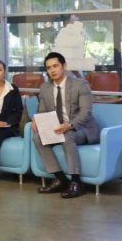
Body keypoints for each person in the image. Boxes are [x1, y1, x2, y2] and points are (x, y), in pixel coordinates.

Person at [32, 52, 100, 199]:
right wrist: (36, 119)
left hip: (82, 129)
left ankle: (76, 182)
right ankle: (60, 179)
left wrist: (69, 125)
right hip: (59, 128)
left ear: (64, 66)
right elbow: (42, 111)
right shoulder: (45, 88)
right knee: (38, 138)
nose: (52, 70)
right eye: (49, 68)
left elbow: (86, 112)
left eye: (55, 66)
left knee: (67, 136)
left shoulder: (80, 84)